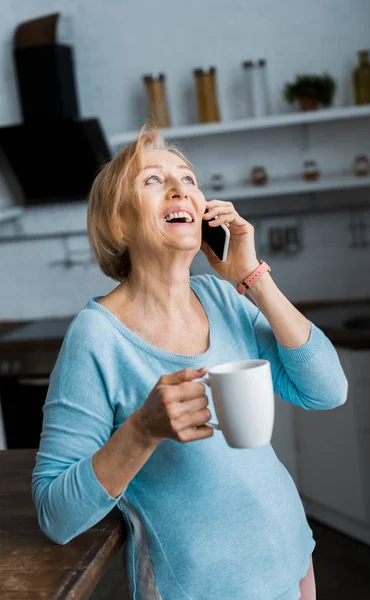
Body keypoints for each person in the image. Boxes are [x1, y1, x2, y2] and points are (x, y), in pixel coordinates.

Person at [32, 125, 348, 600]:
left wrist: (252, 278)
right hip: (199, 588)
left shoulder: (223, 297)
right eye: (153, 181)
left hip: (291, 559)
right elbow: (55, 515)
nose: (181, 187)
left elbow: (327, 390)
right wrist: (141, 430)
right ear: (118, 224)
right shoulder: (96, 337)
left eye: (188, 178)